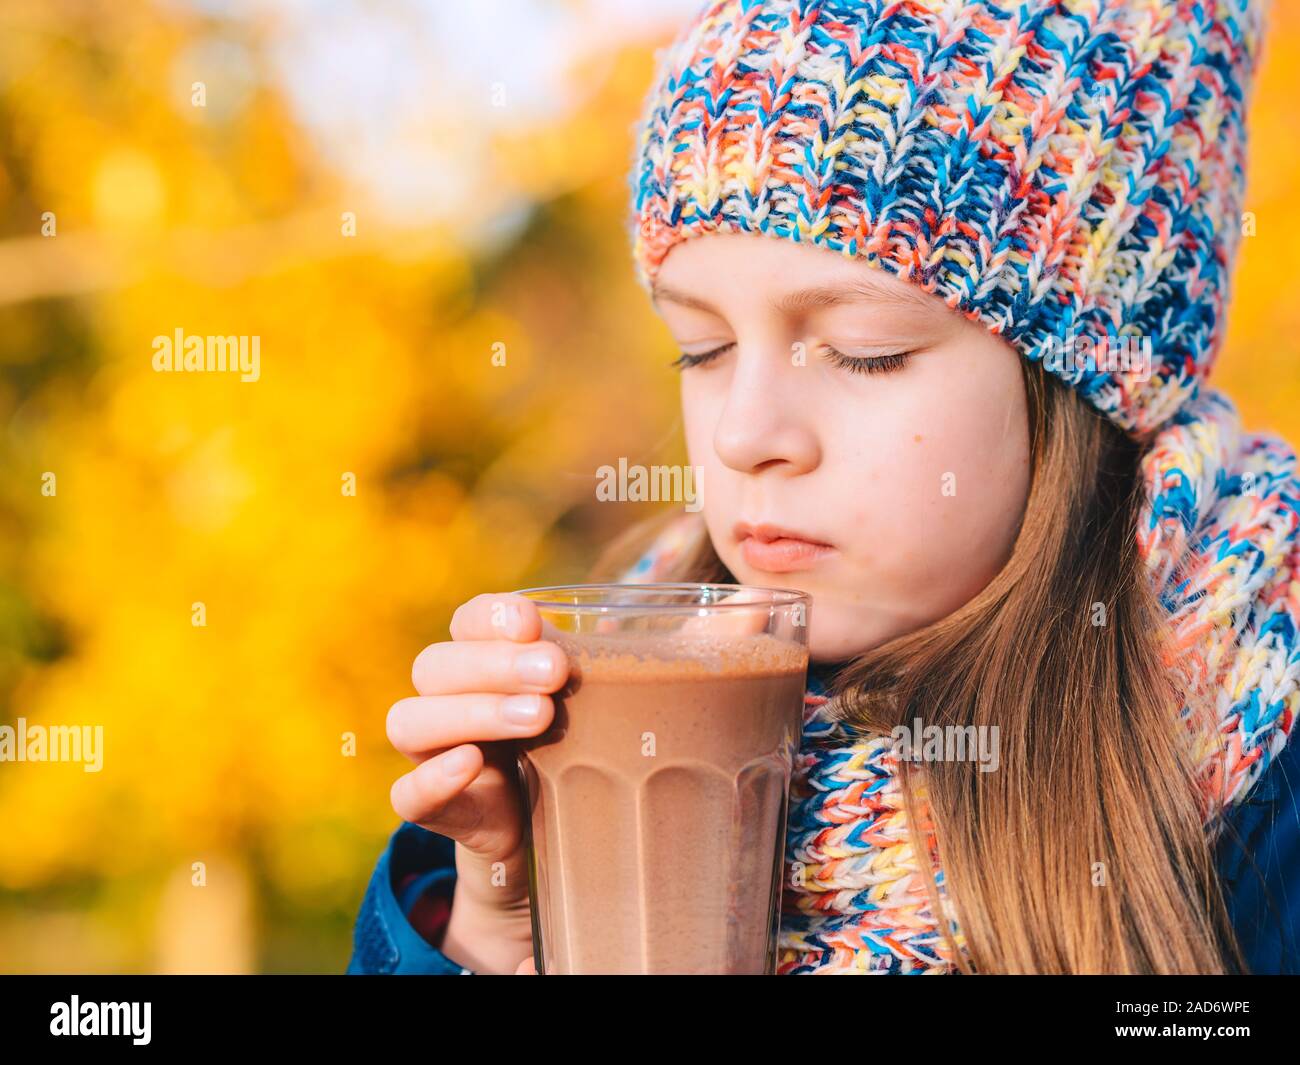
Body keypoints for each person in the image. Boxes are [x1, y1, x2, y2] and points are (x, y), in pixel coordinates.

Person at [347, 0, 1300, 974]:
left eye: (862, 354)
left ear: (1094, 384)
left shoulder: (1268, 774)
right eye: (701, 350)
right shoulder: (600, 702)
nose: (744, 434)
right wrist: (486, 932)